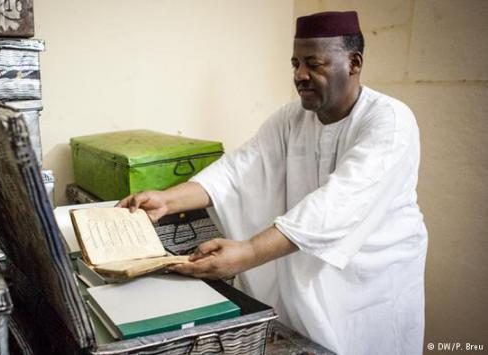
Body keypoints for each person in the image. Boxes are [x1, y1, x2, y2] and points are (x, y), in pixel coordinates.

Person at [118, 11, 427, 355]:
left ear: (354, 63)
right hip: (308, 276)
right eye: (295, 63)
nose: (300, 75)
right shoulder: (291, 118)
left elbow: (337, 204)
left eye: (314, 64)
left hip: (371, 286)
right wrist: (167, 200)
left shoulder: (390, 120)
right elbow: (237, 170)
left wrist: (248, 252)